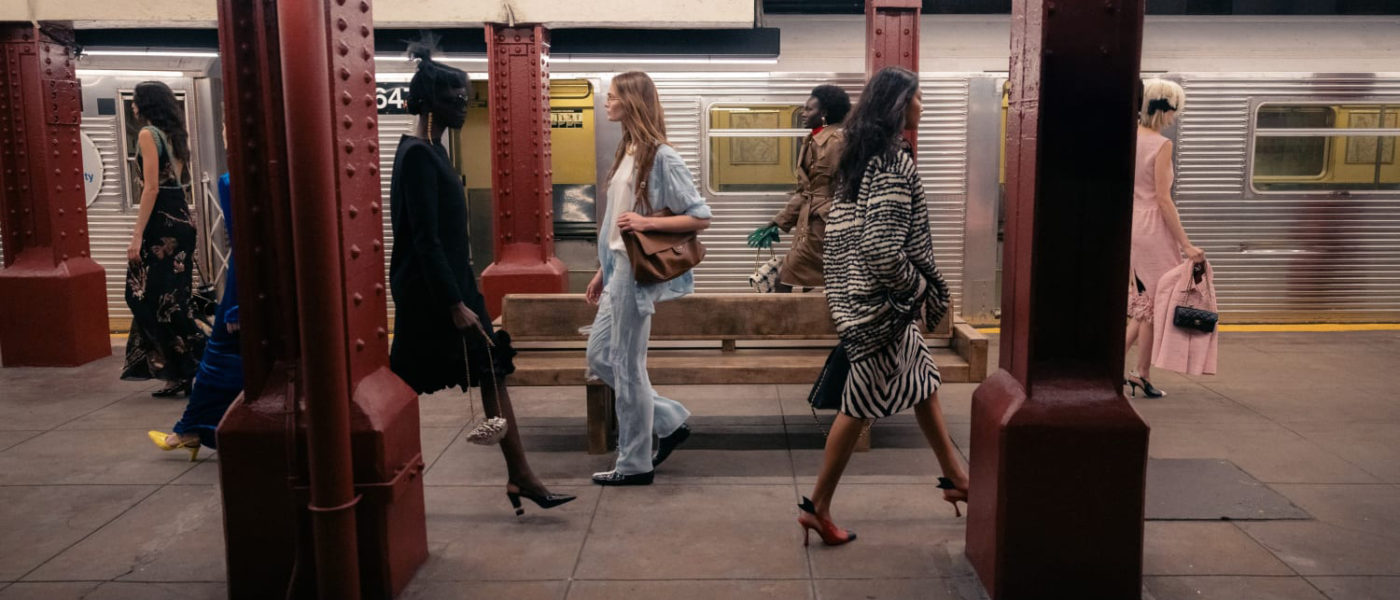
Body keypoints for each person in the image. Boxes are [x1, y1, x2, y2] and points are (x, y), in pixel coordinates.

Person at [388, 45, 574, 515]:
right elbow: (425, 239)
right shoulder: (418, 156)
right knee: (405, 382)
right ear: (429, 102)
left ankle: (521, 476)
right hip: (432, 296)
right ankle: (383, 468)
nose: (463, 106)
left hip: (452, 286)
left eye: (465, 97)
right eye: (454, 98)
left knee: (491, 371)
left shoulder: (432, 151)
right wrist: (454, 303)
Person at [799, 66, 969, 546]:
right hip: (882, 308)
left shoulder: (860, 158)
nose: (922, 106)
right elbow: (880, 247)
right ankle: (818, 507)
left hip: (863, 298)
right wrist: (914, 289)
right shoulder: (893, 162)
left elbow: (846, 237)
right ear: (899, 104)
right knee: (857, 405)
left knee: (923, 382)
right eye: (918, 97)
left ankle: (957, 478)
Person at [585, 71, 713, 486]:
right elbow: (614, 224)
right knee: (601, 356)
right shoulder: (628, 151)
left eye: (613, 96)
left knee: (626, 365)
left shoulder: (662, 156)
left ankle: (634, 463)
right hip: (617, 268)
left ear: (632, 101)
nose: (607, 102)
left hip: (635, 274)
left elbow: (700, 216)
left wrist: (645, 222)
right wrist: (602, 270)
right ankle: (668, 420)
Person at [148, 164, 241, 460]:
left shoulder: (233, 181)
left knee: (220, 358)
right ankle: (194, 429)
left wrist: (236, 306)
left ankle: (191, 430)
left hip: (243, 289)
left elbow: (244, 247)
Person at [121, 81, 206, 397]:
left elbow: (152, 187)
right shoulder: (175, 136)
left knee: (141, 296)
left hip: (162, 224)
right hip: (181, 219)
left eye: (135, 100)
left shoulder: (148, 134)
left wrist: (137, 235)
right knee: (172, 301)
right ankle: (183, 370)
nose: (133, 106)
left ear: (147, 104)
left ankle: (202, 359)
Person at [1124, 78, 1204, 399]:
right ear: (1163, 109)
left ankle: (1112, 367)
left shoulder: (1129, 138)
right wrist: (1185, 244)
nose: (1174, 117)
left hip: (1133, 225)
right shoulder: (1161, 145)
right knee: (1156, 304)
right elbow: (1162, 199)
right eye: (1174, 110)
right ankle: (1141, 373)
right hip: (1153, 228)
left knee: (1144, 304)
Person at [748, 85, 851, 291]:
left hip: (825, 227)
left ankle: (779, 314)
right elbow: (806, 192)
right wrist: (777, 222)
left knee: (786, 277)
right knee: (807, 283)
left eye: (809, 109)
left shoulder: (836, 143)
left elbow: (847, 186)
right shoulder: (812, 141)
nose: (803, 113)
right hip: (810, 225)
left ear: (823, 114)